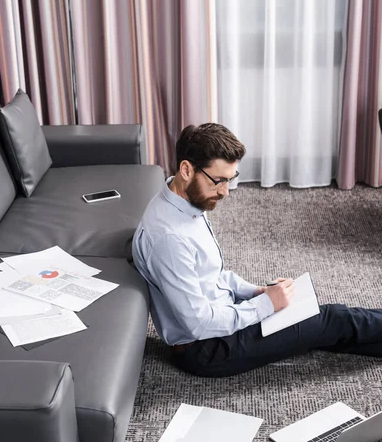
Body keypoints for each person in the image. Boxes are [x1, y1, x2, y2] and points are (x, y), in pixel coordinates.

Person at [132, 123, 382, 377]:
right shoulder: (170, 238)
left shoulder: (185, 201)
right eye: (218, 181)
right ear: (186, 169)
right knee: (332, 318)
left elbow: (212, 277)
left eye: (230, 180)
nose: (225, 192)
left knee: (320, 320)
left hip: (225, 316)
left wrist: (257, 292)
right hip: (209, 348)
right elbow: (199, 324)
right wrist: (265, 305)